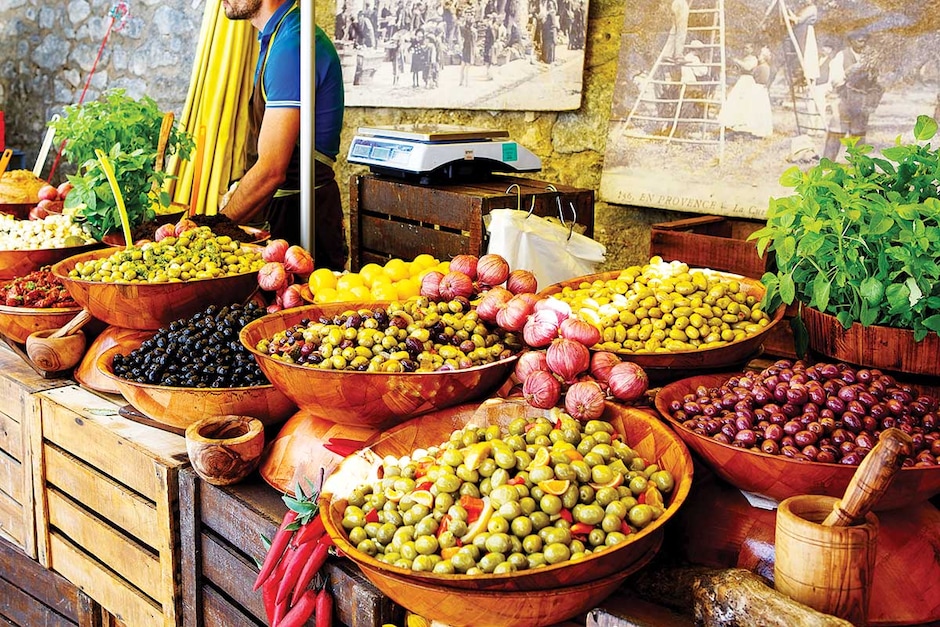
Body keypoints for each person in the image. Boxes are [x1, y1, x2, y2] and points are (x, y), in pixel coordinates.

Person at [220, 0, 348, 270]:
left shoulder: (292, 46)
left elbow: (271, 171)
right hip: (282, 212)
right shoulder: (278, 36)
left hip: (302, 220)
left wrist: (213, 228)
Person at [822, 33, 884, 160]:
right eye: (858, 37)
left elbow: (878, 82)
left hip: (862, 103)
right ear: (850, 40)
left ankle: (858, 167)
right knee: (836, 134)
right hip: (843, 102)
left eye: (864, 38)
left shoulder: (871, 57)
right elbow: (834, 80)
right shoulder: (842, 56)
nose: (862, 40)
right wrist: (850, 71)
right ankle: (826, 165)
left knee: (858, 137)